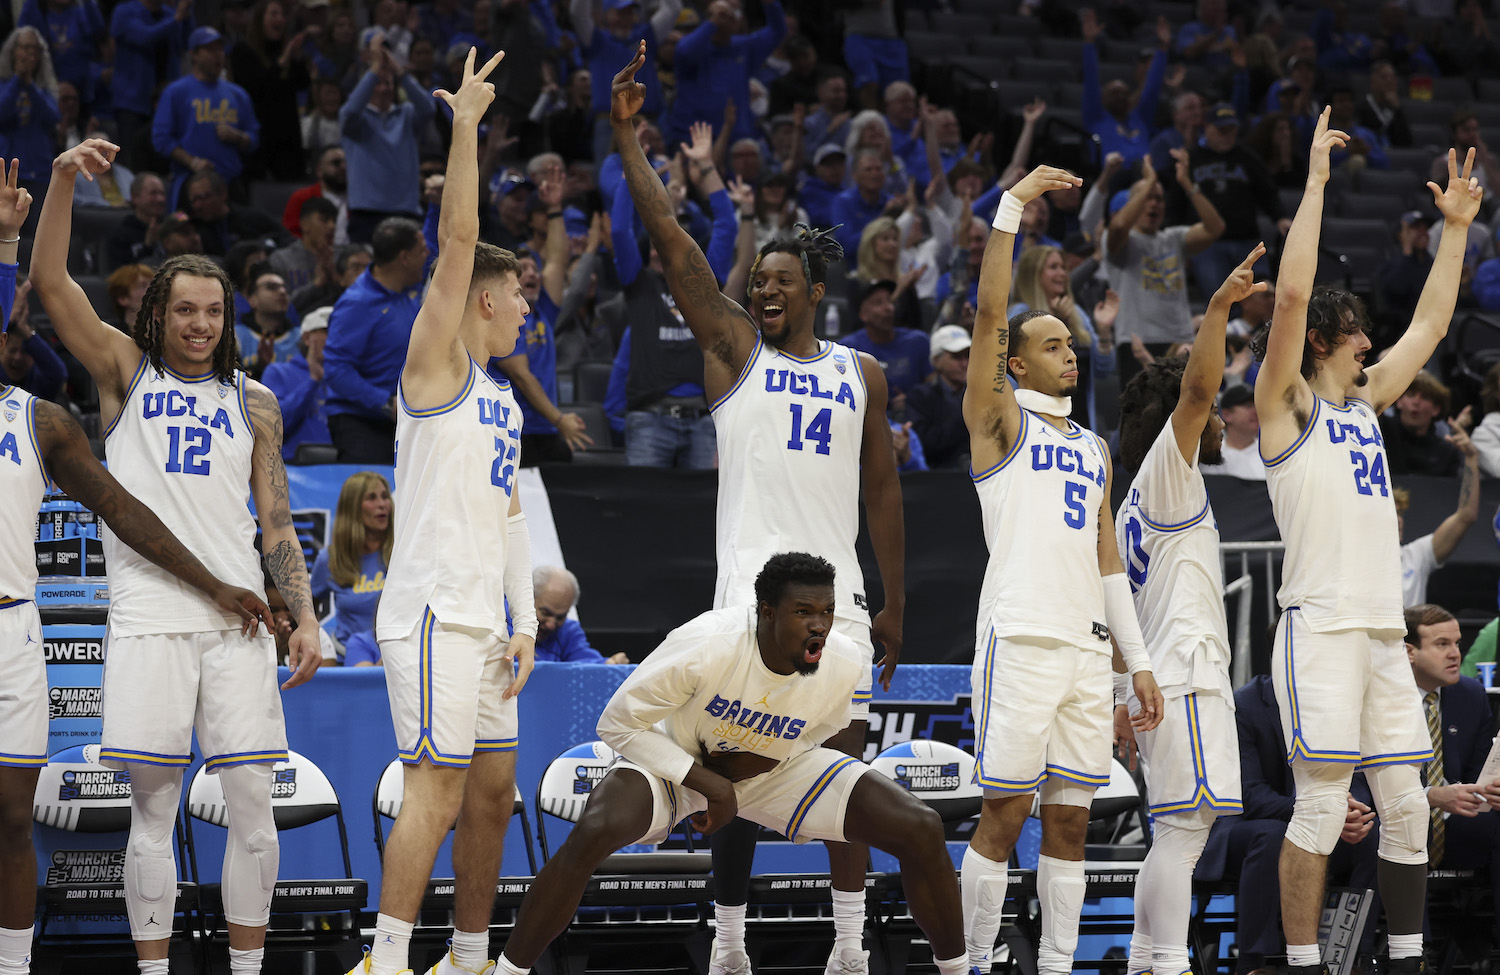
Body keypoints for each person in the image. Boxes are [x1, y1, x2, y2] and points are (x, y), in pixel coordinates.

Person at [612, 45, 907, 975]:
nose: (765, 289)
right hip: (748, 603)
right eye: (760, 281)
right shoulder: (737, 354)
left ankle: (851, 946)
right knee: (735, 767)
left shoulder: (864, 372)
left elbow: (884, 489)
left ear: (816, 292)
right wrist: (630, 145)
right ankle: (730, 940)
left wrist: (895, 599)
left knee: (845, 773)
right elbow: (678, 250)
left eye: (783, 281)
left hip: (843, 603)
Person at [30, 136, 324, 975]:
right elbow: (52, 285)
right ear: (158, 312)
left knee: (254, 812)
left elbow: (274, 522)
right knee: (152, 816)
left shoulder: (256, 400)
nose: (200, 324)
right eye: (185, 309)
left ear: (228, 318)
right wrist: (59, 181)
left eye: (214, 311)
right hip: (154, 613)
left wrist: (301, 614)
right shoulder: (125, 370)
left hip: (241, 622)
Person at [1250, 108, 1484, 975]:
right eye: (1356, 338)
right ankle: (1305, 965)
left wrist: (1456, 231)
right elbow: (1293, 295)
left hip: (1384, 631)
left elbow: (1427, 328)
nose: (1370, 347)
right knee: (1319, 809)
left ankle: (1409, 958)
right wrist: (1313, 183)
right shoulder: (1290, 404)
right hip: (1320, 625)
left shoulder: (1361, 404)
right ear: (1322, 342)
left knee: (1405, 805)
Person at [491, 553, 967, 975]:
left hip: (770, 769)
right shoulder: (706, 643)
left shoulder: (842, 662)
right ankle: (509, 972)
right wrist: (708, 782)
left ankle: (958, 970)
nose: (819, 624)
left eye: (826, 612)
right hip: (677, 760)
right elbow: (617, 724)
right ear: (766, 612)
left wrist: (765, 758)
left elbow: (822, 729)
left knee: (920, 826)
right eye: (803, 612)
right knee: (597, 825)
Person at [345, 49, 538, 975]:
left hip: (486, 622)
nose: (529, 315)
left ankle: (467, 959)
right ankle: (384, 960)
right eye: (523, 300)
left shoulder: (502, 398)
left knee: (494, 793)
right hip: (428, 614)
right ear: (487, 300)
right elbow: (457, 243)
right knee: (437, 791)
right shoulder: (439, 368)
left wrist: (523, 620)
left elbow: (509, 517)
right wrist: (465, 127)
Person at [959, 162, 1163, 975]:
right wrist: (1012, 206)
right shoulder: (999, 421)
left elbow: (1108, 553)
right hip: (1021, 635)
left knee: (1071, 822)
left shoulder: (1093, 447)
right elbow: (984, 315)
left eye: (1071, 344)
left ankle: (1055, 964)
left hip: (1083, 650)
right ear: (1014, 363)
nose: (1069, 352)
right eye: (1050, 345)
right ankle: (971, 961)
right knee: (1003, 815)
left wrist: (1134, 662)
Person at [1116, 245, 1265, 975]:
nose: (1210, 421)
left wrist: (1121, 692)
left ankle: (1149, 957)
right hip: (1187, 677)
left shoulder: (1126, 509)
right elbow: (1200, 393)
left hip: (1155, 679)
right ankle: (1170, 962)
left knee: (1171, 829)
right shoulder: (1168, 476)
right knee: (1185, 831)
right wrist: (1216, 310)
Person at [1206, 673, 1380, 975]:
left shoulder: (1338, 698)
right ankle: (1257, 963)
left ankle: (1352, 958)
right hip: (1247, 825)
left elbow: (1360, 772)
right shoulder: (1243, 704)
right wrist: (1322, 812)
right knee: (1276, 835)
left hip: (1320, 820)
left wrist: (1352, 812)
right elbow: (1248, 794)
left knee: (1372, 834)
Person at [1403, 601, 1500, 946]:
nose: (1455, 654)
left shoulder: (1471, 694)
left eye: (1457, 643)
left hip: (1456, 820)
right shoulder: (1382, 698)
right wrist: (1427, 797)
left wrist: (1491, 791)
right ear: (1409, 651)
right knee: (1398, 829)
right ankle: (1415, 954)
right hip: (1400, 817)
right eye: (1442, 644)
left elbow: (1478, 773)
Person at [1106, 151, 1225, 392]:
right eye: (1147, 198)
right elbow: (1118, 224)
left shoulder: (1174, 238)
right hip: (1138, 341)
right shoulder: (1123, 241)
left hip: (1180, 340)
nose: (1153, 203)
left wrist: (1187, 184)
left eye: (1159, 198)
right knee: (1142, 419)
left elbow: (1215, 228)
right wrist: (1150, 181)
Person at [322, 217, 427, 464]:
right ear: (404, 258)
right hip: (362, 424)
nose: (428, 254)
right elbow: (336, 370)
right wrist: (384, 403)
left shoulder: (405, 290)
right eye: (421, 250)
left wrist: (435, 205)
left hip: (404, 418)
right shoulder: (357, 304)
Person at [1007, 244, 1117, 433]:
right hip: (1033, 424)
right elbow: (1010, 372)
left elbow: (1103, 370)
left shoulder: (1077, 315)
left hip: (1079, 422)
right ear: (1033, 275)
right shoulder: (1020, 314)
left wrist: (1104, 330)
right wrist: (1055, 322)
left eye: (1063, 268)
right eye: (1053, 267)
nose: (1062, 274)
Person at [151, 26, 258, 209]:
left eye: (220, 49)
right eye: (210, 49)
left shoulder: (238, 94)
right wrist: (192, 162)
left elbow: (254, 137)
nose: (218, 55)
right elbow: (161, 138)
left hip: (230, 181)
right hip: (192, 181)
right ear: (194, 54)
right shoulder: (176, 92)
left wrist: (239, 137)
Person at [340, 38, 435, 243]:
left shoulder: (406, 115)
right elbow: (347, 114)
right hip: (366, 212)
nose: (383, 89)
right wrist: (374, 70)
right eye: (377, 83)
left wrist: (400, 72)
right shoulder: (357, 121)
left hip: (405, 211)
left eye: (388, 83)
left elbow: (428, 108)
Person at [1394, 426, 1479, 606]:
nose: (1398, 520)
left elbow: (1466, 515)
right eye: (1392, 514)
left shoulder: (1415, 556)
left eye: (1400, 513)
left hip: (1411, 635)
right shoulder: (1352, 559)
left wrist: (1471, 457)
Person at [309, 469, 391, 650]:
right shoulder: (330, 559)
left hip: (397, 657)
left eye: (385, 496)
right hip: (348, 659)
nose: (382, 504)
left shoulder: (401, 552)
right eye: (371, 498)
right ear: (352, 507)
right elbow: (307, 613)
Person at [110, 0, 192, 167]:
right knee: (132, 162)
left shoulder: (170, 14)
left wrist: (187, 15)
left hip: (165, 100)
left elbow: (188, 43)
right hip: (132, 102)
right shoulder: (124, 11)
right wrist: (176, 19)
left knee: (167, 159)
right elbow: (144, 36)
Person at [260, 304, 330, 460]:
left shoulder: (348, 377)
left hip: (344, 467)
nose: (336, 337)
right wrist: (312, 381)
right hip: (295, 469)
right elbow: (274, 425)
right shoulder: (277, 372)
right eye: (326, 332)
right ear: (306, 338)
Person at [532, 565, 628, 664]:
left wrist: (611, 664)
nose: (551, 625)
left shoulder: (567, 631)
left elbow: (587, 663)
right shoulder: (514, 629)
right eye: (545, 613)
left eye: (560, 617)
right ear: (526, 600)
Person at [905, 324, 969, 471]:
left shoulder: (984, 394)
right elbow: (925, 445)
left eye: (968, 355)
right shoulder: (919, 398)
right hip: (938, 479)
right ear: (936, 360)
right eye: (956, 357)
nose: (965, 364)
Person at [1380, 370, 1464, 477]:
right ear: (1399, 401)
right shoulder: (1381, 435)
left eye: (1425, 397)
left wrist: (1471, 456)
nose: (1416, 402)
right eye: (1411, 395)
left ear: (1436, 409)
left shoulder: (1446, 452)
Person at [235, 264, 298, 378]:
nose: (283, 291)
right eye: (272, 287)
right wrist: (260, 367)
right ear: (252, 300)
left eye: (284, 287)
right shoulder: (236, 337)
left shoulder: (302, 337)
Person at [271, 196, 338, 294]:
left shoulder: (341, 257)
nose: (332, 226)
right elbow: (279, 304)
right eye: (324, 220)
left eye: (334, 221)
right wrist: (315, 284)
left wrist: (334, 276)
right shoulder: (281, 259)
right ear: (304, 224)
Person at [282, 144, 348, 243]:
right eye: (336, 163)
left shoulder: (359, 198)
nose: (343, 167)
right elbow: (291, 233)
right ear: (319, 170)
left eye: (346, 162)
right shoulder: (302, 197)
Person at [105, 171, 169, 271]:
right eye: (153, 193)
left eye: (162, 193)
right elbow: (122, 277)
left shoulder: (172, 227)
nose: (160, 199)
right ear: (135, 198)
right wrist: (148, 246)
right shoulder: (121, 236)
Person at [1199, 384, 1263, 480]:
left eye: (1256, 405)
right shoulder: (1213, 454)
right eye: (1248, 406)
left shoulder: (1270, 451)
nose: (1255, 411)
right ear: (1227, 414)